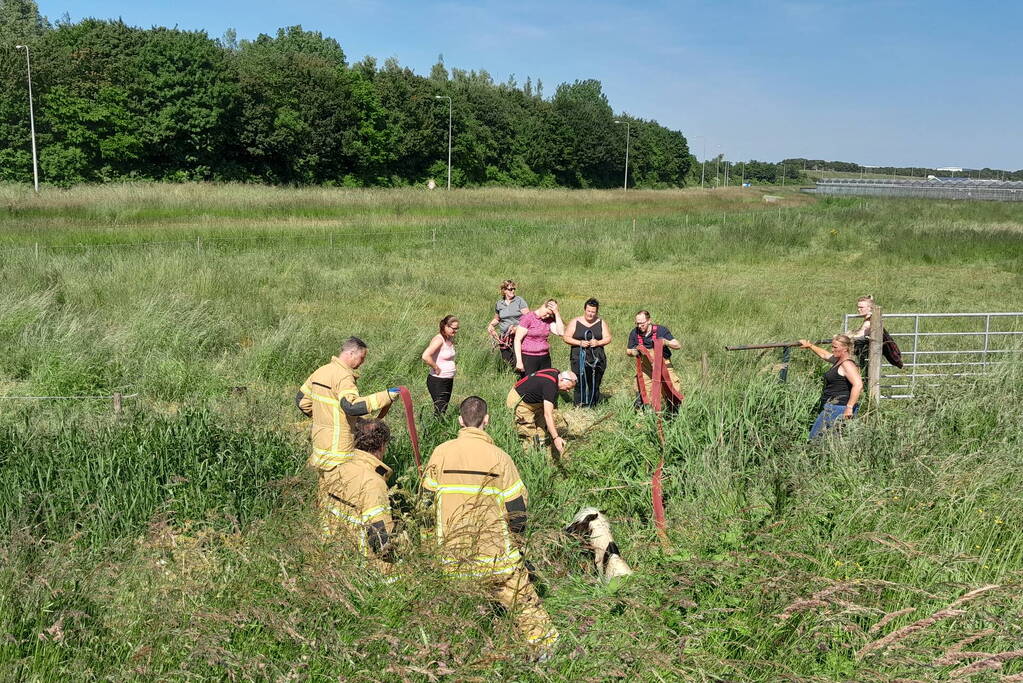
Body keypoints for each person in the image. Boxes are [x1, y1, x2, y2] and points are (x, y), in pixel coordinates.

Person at [421, 396, 559, 655]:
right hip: (496, 559)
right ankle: (546, 654)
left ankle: (455, 652)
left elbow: (425, 505)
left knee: (452, 614)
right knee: (527, 608)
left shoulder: (440, 453)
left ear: (460, 421)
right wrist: (517, 548)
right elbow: (517, 511)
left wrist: (430, 544)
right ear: (487, 421)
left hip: (451, 558)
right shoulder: (501, 458)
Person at [297, 337, 399, 537]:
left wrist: (323, 418)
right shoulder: (344, 377)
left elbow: (301, 401)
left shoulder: (321, 371)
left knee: (326, 492)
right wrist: (386, 396)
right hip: (339, 450)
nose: (362, 363)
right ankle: (352, 535)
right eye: (361, 358)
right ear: (351, 353)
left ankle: (326, 530)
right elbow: (351, 406)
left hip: (320, 448)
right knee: (347, 494)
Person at [323, 418, 396, 573]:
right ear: (382, 446)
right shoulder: (373, 482)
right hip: (361, 566)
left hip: (331, 553)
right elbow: (380, 540)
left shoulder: (335, 466)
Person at [799, 334, 863, 440]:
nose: (832, 349)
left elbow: (858, 384)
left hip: (839, 408)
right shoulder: (839, 360)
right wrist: (810, 345)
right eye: (832, 346)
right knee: (833, 440)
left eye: (835, 347)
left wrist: (849, 407)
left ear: (845, 348)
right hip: (833, 407)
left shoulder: (847, 364)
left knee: (815, 439)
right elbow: (825, 355)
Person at [506, 367, 576, 457]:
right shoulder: (550, 386)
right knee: (530, 434)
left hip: (535, 402)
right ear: (562, 379)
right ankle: (529, 457)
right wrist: (556, 437)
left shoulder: (556, 374)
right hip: (519, 401)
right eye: (567, 388)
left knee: (542, 429)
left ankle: (541, 450)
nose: (567, 391)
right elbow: (548, 415)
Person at [626, 310, 683, 407]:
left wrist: (666, 342)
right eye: (637, 323)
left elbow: (678, 345)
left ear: (649, 321)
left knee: (672, 387)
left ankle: (674, 412)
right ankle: (646, 413)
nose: (639, 326)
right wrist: (633, 352)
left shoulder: (661, 330)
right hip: (646, 366)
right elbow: (628, 350)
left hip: (663, 364)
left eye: (642, 323)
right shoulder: (634, 333)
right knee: (641, 386)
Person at [562, 298, 612, 406]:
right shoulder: (575, 321)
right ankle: (579, 404)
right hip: (579, 356)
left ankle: (593, 404)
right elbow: (566, 337)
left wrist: (598, 343)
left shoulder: (601, 322)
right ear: (584, 309)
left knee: (595, 381)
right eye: (588, 311)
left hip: (597, 356)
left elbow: (608, 338)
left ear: (596, 312)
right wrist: (579, 342)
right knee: (579, 380)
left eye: (593, 312)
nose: (590, 314)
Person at [513, 299, 565, 377]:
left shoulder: (548, 320)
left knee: (545, 382)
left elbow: (561, 333)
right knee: (530, 384)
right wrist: (519, 361)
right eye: (547, 313)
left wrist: (556, 313)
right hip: (529, 358)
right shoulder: (528, 318)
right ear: (543, 306)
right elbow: (517, 340)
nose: (547, 316)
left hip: (545, 357)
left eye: (550, 314)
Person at [422, 315, 459, 415]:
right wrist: (436, 367)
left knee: (443, 408)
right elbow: (426, 356)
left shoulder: (449, 339)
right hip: (438, 380)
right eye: (454, 329)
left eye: (457, 328)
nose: (456, 331)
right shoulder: (439, 340)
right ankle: (433, 429)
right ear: (445, 326)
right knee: (440, 409)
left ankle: (439, 428)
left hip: (447, 379)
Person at [487, 280, 529, 367]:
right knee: (506, 360)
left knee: (517, 359)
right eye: (510, 289)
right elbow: (497, 318)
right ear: (504, 290)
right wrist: (491, 325)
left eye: (514, 289)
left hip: (518, 334)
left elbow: (528, 317)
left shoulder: (519, 301)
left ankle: (520, 377)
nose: (513, 291)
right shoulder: (499, 304)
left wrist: (517, 327)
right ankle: (510, 376)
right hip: (504, 336)